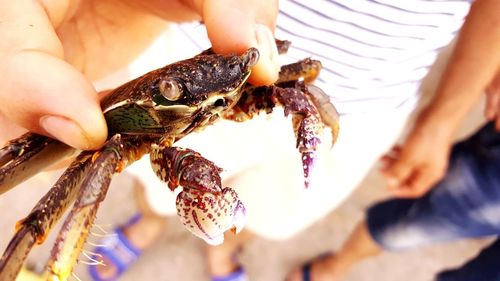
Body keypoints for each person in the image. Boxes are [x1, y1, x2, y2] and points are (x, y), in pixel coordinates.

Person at [87, 0, 500, 280]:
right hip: (200, 55)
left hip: (363, 96)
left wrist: (440, 122)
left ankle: (224, 246)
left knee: (277, 210)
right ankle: (152, 221)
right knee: (159, 185)